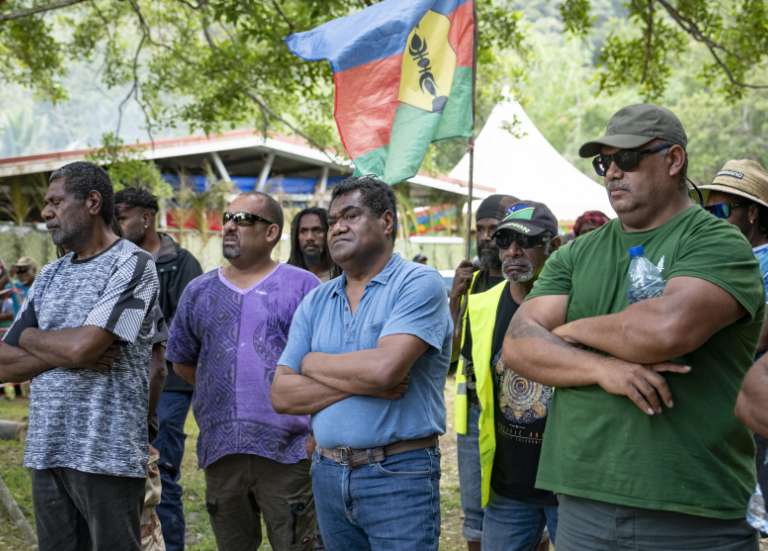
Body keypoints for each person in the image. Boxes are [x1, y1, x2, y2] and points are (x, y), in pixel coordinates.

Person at [503, 104, 764, 550]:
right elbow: (519, 346)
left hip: (691, 510)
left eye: (626, 159)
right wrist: (606, 370)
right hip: (582, 504)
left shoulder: (718, 242)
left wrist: (569, 331)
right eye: (604, 163)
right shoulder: (576, 253)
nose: (611, 175)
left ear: (674, 159)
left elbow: (664, 331)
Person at [271, 175, 452, 551]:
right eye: (333, 220)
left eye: (350, 216)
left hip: (399, 474)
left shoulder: (418, 284)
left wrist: (313, 362)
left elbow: (385, 370)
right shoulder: (317, 300)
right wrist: (362, 381)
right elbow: (282, 394)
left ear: (386, 222)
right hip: (328, 472)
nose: (336, 227)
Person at [0, 161, 160, 551]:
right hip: (46, 449)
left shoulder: (134, 264)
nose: (46, 212)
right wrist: (67, 353)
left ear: (92, 201)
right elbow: (5, 361)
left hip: (106, 454)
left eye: (56, 201)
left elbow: (83, 347)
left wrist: (37, 339)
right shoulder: (51, 274)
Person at [165, 191, 319, 551]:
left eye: (244, 219)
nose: (230, 227)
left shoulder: (304, 287)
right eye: (228, 218)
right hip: (222, 453)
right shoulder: (198, 291)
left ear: (271, 233)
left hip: (290, 451)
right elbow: (184, 362)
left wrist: (313, 433)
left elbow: (322, 365)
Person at [459, 201, 560, 551]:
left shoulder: (579, 302)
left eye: (526, 242)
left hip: (569, 484)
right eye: (504, 241)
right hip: (508, 486)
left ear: (554, 246)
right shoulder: (482, 305)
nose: (513, 252)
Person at [115, 186, 203, 551]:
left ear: (146, 217)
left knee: (161, 470)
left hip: (170, 385)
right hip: (124, 382)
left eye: (121, 217)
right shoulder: (117, 261)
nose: (116, 226)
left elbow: (183, 330)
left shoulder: (181, 264)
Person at [703, 159, 768, 533]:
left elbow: (760, 334)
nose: (711, 219)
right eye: (707, 210)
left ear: (753, 214)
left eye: (722, 210)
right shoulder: (719, 257)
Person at [450, 193, 517, 551]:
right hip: (474, 411)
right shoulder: (472, 281)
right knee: (474, 514)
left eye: (495, 228)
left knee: (525, 509)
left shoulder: (523, 282)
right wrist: (454, 299)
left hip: (516, 412)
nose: (487, 237)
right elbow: (452, 351)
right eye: (481, 229)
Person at [288, 206, 337, 282]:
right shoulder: (285, 276)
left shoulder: (344, 276)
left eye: (317, 230)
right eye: (303, 231)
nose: (309, 237)